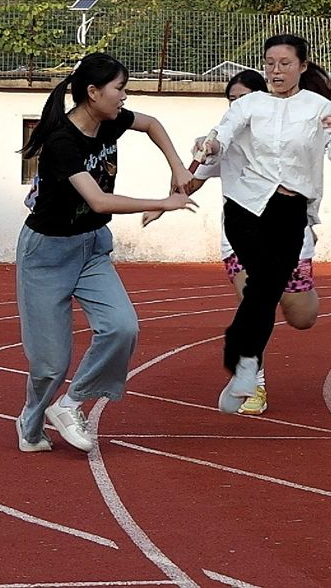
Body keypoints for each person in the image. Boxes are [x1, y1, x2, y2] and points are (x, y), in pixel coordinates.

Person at [15, 52, 196, 453]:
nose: (125, 97)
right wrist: (163, 202)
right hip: (46, 255)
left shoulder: (110, 121)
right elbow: (98, 200)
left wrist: (178, 167)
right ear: (93, 92)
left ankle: (70, 404)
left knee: (122, 327)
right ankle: (31, 421)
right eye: (120, 88)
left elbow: (152, 124)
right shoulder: (62, 142)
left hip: (92, 247)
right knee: (50, 364)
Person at [195, 35, 331, 414]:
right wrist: (210, 145)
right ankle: (246, 371)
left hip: (291, 213)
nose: (276, 71)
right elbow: (223, 134)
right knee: (259, 290)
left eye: (285, 63)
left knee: (282, 304)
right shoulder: (249, 104)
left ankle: (245, 364)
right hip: (247, 208)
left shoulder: (321, 110)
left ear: (302, 66)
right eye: (269, 63)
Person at [153, 69, 321, 415]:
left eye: (243, 99)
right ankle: (253, 381)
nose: (237, 106)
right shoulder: (223, 142)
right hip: (243, 242)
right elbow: (188, 182)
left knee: (302, 317)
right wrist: (186, 167)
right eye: (231, 100)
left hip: (290, 242)